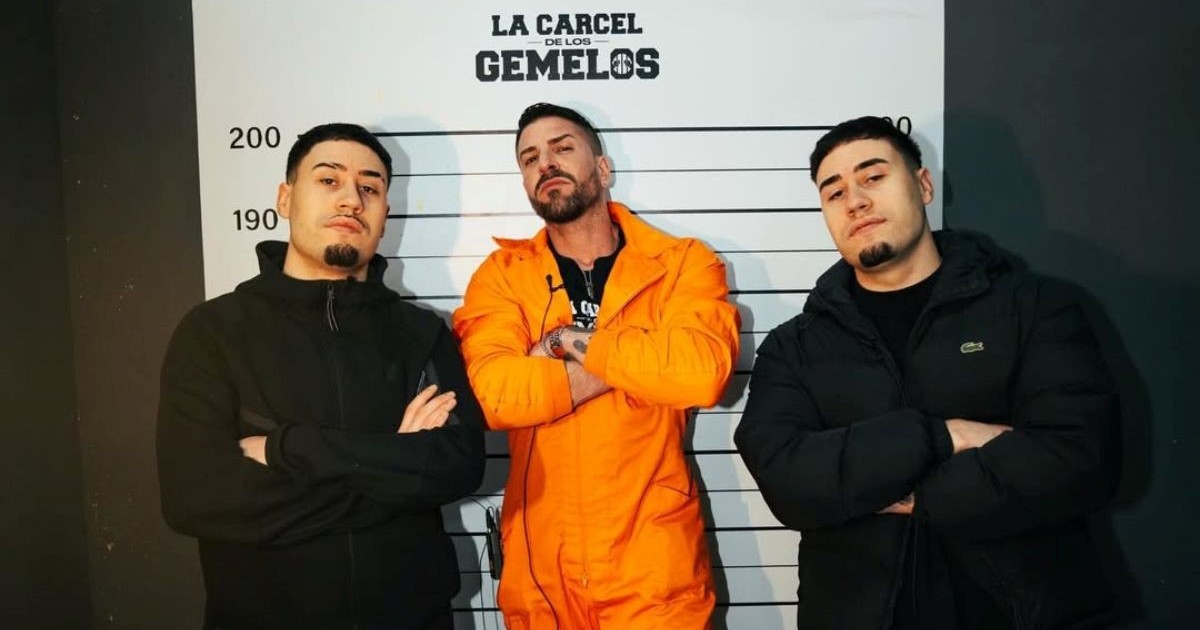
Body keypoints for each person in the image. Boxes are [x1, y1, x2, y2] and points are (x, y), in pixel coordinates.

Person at [734, 116, 1121, 629]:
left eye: (873, 177)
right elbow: (788, 480)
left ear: (923, 185)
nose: (855, 201)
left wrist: (913, 495)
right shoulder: (793, 347)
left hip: (1022, 612)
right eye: (835, 192)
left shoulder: (1033, 307)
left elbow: (1079, 456)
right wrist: (944, 436)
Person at [157, 123, 485, 630]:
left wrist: (288, 449)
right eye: (329, 180)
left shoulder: (421, 333)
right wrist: (392, 468)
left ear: (385, 214)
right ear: (285, 199)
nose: (351, 199)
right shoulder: (214, 331)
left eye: (370, 187)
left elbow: (457, 467)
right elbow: (196, 498)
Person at [452, 103, 740, 629]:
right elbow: (492, 396)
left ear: (603, 169)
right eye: (529, 158)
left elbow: (700, 373)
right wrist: (643, 356)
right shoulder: (501, 276)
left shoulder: (682, 263)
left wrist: (564, 341)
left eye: (562, 148)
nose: (545, 163)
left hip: (654, 570)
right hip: (541, 574)